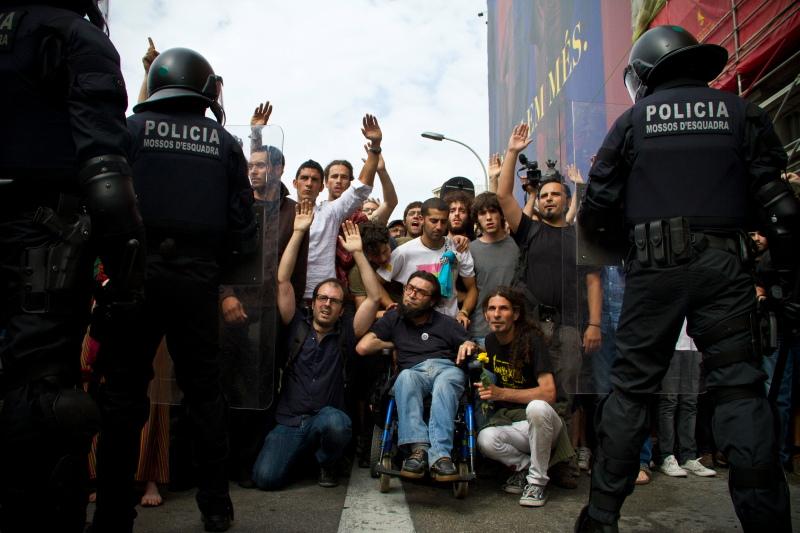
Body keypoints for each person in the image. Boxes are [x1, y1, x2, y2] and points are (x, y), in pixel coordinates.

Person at [574, 25, 797, 532]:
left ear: (644, 73)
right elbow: (781, 208)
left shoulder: (633, 123)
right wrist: (780, 275)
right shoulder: (743, 113)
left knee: (630, 392)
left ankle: (601, 518)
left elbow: (596, 211)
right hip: (727, 268)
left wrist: (630, 247)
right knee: (742, 390)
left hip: (653, 271)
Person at [91, 47, 257, 533]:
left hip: (133, 276)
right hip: (196, 283)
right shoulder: (224, 143)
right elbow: (243, 225)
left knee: (122, 397)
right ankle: (216, 506)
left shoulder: (131, 130)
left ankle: (110, 514)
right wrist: (211, 267)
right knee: (205, 396)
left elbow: (102, 197)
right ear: (204, 88)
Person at [0, 2, 145, 532]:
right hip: (45, 239)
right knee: (45, 402)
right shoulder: (72, 36)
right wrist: (127, 281)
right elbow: (106, 174)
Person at [252, 205, 382, 490]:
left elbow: (373, 298)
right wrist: (298, 232)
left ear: (340, 308)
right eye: (322, 298)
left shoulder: (348, 333)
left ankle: (327, 461)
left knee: (337, 424)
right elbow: (282, 280)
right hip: (290, 420)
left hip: (327, 417)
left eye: (334, 301)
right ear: (313, 302)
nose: (327, 304)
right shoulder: (296, 324)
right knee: (265, 479)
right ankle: (304, 456)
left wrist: (358, 252)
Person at [356, 271, 476, 481]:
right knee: (405, 378)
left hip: (445, 369)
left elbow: (469, 343)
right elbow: (363, 346)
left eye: (420, 292)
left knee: (445, 385)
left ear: (432, 301)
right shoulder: (394, 318)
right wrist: (394, 344)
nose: (411, 294)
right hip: (413, 371)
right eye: (409, 288)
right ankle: (418, 451)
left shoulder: (446, 323)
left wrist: (467, 344)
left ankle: (441, 456)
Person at [476, 287, 573, 508]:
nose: (497, 314)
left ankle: (537, 482)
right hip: (515, 424)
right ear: (485, 314)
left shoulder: (532, 340)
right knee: (486, 439)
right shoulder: (491, 341)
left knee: (537, 407)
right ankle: (523, 468)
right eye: (491, 308)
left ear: (516, 314)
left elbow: (549, 393)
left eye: (503, 308)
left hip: (544, 423)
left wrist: (501, 393)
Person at [303, 115, 382, 301]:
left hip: (325, 297)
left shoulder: (330, 213)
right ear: (294, 182)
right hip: (288, 294)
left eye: (314, 180)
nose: (308, 184)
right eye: (304, 179)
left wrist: (375, 147)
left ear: (320, 186)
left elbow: (360, 189)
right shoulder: (283, 211)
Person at [378, 197, 478, 326]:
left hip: (449, 324)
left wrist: (464, 312)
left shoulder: (459, 248)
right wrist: (390, 305)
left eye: (443, 221)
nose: (439, 226)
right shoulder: (404, 252)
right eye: (434, 221)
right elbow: (376, 281)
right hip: (412, 325)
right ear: (422, 219)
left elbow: (472, 289)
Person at [467, 192, 519, 346]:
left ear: (502, 213)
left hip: (516, 329)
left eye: (493, 211)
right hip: (482, 330)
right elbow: (461, 290)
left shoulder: (518, 245)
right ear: (477, 218)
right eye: (482, 213)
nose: (488, 217)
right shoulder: (469, 250)